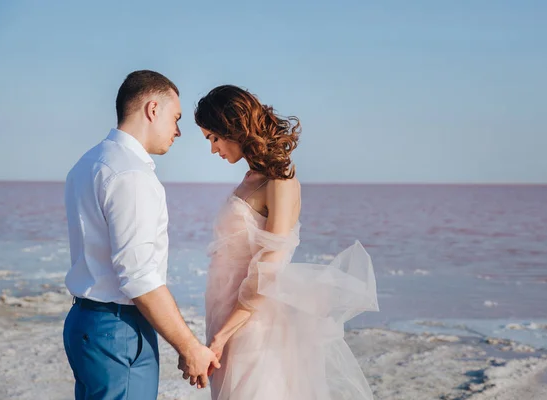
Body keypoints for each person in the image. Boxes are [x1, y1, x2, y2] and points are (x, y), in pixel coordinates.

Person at [195, 84, 379, 399]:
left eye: (213, 138)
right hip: (225, 317)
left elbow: (268, 271)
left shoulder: (279, 182)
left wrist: (221, 338)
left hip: (253, 326)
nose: (213, 149)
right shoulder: (251, 177)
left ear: (234, 127)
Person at [62, 70, 219, 399]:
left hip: (85, 322)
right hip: (119, 329)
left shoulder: (87, 162)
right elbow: (138, 277)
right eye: (175, 118)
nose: (178, 131)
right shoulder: (130, 174)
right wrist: (189, 347)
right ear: (152, 109)